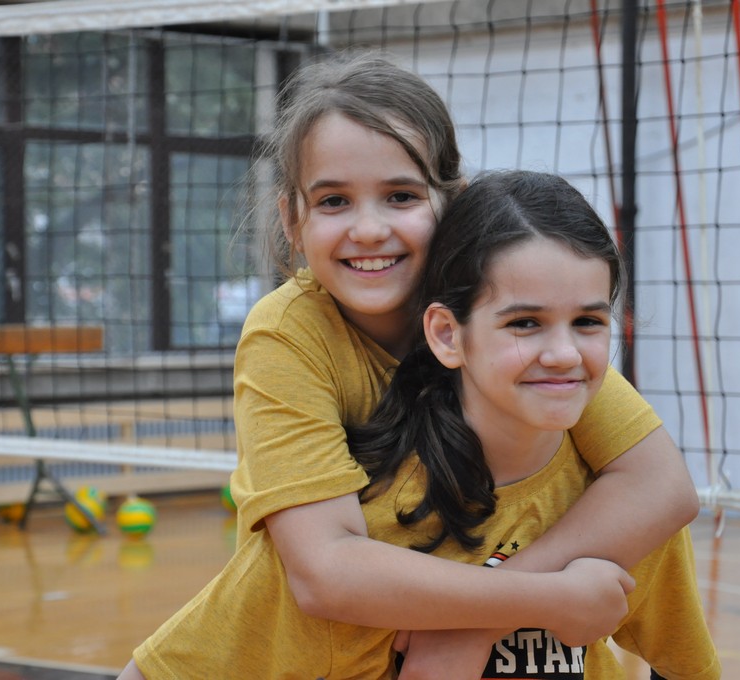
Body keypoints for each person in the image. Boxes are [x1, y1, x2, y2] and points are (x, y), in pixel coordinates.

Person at [119, 53, 699, 679]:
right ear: (292, 220)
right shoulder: (289, 332)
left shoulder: (498, 318)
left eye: (401, 196)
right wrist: (544, 599)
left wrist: (476, 628)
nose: (369, 229)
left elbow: (661, 486)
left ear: (453, 203)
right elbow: (326, 572)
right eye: (334, 200)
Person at [348, 169, 720, 678]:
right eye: (525, 323)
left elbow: (687, 667)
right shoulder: (378, 519)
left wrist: (472, 628)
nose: (565, 354)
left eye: (588, 322)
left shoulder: (629, 516)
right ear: (448, 335)